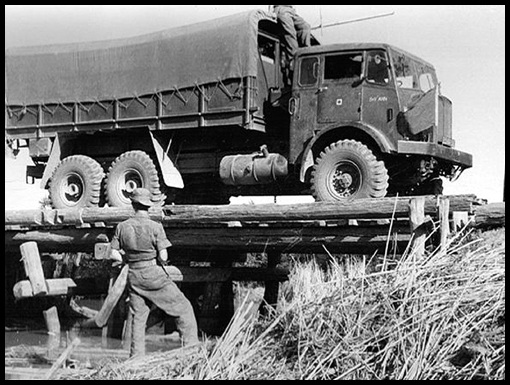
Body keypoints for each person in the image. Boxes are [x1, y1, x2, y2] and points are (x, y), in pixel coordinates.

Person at [109, 188, 199, 358]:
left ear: (133, 204)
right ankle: (191, 351)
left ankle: (136, 360)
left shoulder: (122, 227)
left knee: (138, 318)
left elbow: (113, 253)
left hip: (133, 275)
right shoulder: (156, 227)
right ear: (148, 206)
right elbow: (164, 257)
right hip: (153, 274)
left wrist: (125, 258)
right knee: (184, 307)